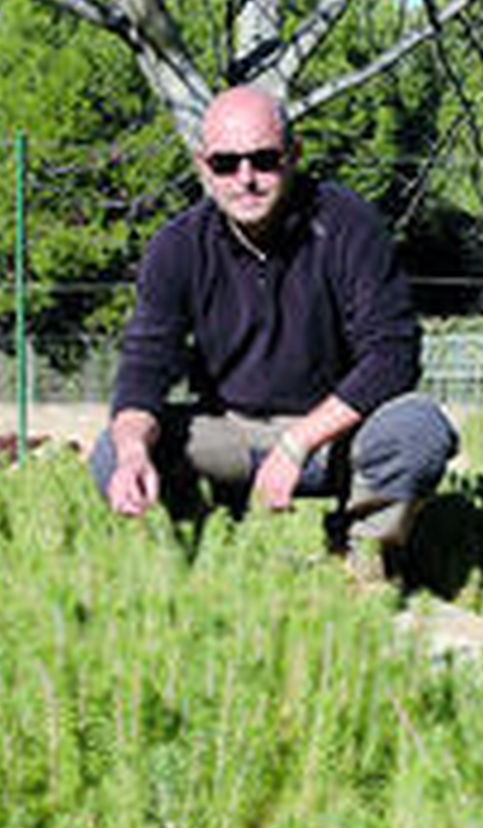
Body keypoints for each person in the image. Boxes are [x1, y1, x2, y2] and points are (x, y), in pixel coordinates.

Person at [89, 85, 457, 582]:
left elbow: (393, 357)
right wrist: (134, 452)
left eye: (264, 159)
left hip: (334, 435)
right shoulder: (176, 248)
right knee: (114, 450)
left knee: (418, 430)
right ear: (203, 166)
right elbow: (143, 372)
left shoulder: (350, 224)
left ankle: (365, 559)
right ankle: (205, 562)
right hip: (229, 432)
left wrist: (296, 444)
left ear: (294, 155)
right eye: (226, 163)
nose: (247, 179)